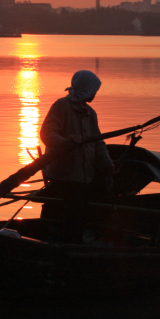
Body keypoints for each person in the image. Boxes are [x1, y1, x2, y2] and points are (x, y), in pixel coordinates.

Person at [39, 70, 114, 241]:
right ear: (86, 88)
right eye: (94, 90)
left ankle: (74, 243)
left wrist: (107, 163)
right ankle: (61, 244)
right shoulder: (61, 106)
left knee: (79, 215)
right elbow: (47, 134)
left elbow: (98, 142)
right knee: (62, 212)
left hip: (84, 175)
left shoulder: (90, 113)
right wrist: (65, 142)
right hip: (63, 174)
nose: (95, 94)